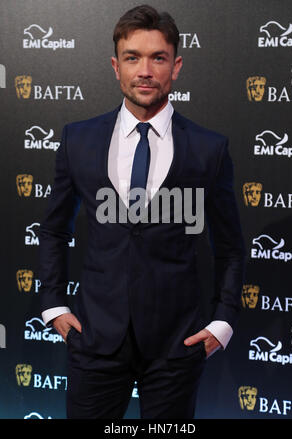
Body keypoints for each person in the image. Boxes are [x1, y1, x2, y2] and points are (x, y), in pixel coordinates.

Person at [39, 4, 245, 419]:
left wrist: (223, 322)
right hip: (95, 339)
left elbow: (230, 246)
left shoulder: (209, 148)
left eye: (158, 57)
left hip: (177, 344)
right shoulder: (78, 139)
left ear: (177, 66)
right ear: (116, 66)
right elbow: (53, 231)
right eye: (133, 57)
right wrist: (54, 306)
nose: (145, 70)